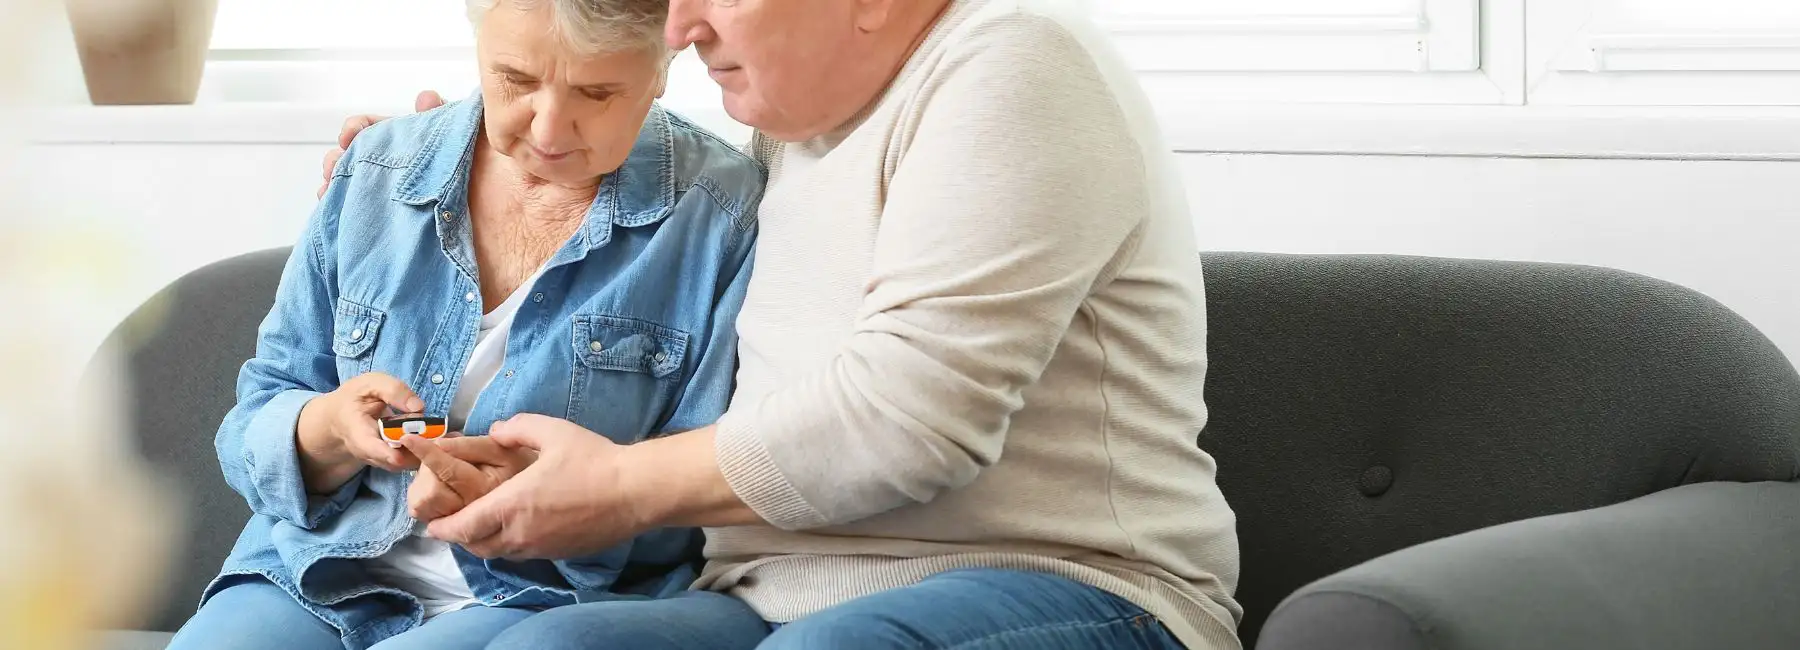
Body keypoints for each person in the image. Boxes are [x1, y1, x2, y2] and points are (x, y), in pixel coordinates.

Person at [335, 0, 1243, 648]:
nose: (681, 27)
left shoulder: (1014, 63)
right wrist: (454, 176)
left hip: (1071, 587)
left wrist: (618, 488)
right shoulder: (791, 131)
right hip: (770, 593)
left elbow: (907, 422)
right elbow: (643, 228)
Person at [170, 1, 765, 649]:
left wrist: (551, 499)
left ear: (664, 65)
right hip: (321, 569)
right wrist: (331, 430)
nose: (549, 129)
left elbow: (712, 487)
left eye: (597, 92)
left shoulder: (718, 215)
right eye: (514, 79)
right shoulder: (377, 168)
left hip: (545, 594)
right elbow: (258, 415)